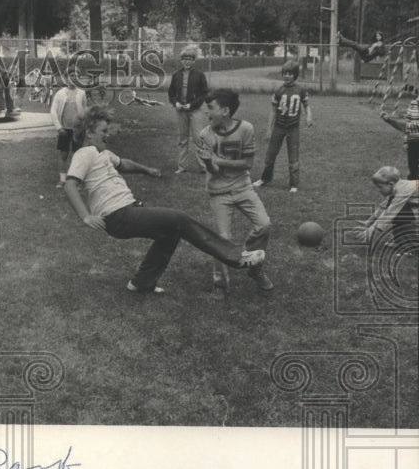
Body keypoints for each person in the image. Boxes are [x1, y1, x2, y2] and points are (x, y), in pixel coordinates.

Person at [63, 106, 266, 294]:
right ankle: (237, 257)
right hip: (118, 215)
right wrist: (86, 216)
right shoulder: (84, 153)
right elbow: (70, 184)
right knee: (178, 219)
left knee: (170, 233)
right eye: (103, 131)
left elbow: (123, 164)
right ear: (89, 133)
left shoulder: (103, 153)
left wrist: (146, 170)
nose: (107, 135)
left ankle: (142, 282)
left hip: (127, 211)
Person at [197, 90, 274, 297]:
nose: (206, 112)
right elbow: (212, 171)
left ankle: (253, 265)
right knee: (223, 238)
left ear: (225, 110)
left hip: (243, 187)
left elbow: (247, 164)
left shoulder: (246, 129)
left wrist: (217, 160)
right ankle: (220, 284)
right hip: (219, 193)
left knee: (264, 225)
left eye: (210, 108)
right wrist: (207, 162)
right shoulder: (205, 135)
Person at [253, 60, 314, 193]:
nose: (287, 76)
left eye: (290, 74)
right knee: (270, 155)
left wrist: (309, 116)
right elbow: (273, 110)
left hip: (293, 127)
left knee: (293, 157)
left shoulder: (301, 89)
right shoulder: (278, 89)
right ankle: (265, 178)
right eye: (285, 73)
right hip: (279, 126)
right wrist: (269, 129)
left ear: (295, 75)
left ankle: (294, 184)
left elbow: (307, 105)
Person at [167, 47, 210, 174]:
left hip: (195, 110)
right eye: (184, 59)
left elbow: (204, 94)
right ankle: (182, 167)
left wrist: (192, 105)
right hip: (180, 111)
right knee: (182, 139)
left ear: (194, 61)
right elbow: (171, 93)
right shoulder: (176, 75)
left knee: (198, 138)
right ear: (181, 61)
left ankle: (204, 167)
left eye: (190, 59)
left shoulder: (199, 75)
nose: (187, 62)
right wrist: (176, 103)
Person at [357, 166, 418, 252]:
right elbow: (384, 205)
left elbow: (390, 213)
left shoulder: (403, 191)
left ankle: (411, 244)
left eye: (380, 187)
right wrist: (369, 222)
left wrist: (371, 231)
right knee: (401, 213)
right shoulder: (396, 188)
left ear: (391, 184)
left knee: (399, 213)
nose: (378, 190)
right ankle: (400, 240)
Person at [49, 81, 87, 188]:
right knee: (63, 154)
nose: (73, 79)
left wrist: (83, 126)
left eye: (76, 76)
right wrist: (59, 127)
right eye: (71, 76)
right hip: (64, 129)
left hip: (77, 129)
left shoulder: (81, 93)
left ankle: (76, 180)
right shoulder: (60, 93)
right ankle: (62, 179)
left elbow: (84, 111)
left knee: (78, 155)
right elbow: (53, 111)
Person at [380, 84, 419, 180]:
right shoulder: (413, 104)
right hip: (413, 142)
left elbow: (409, 126)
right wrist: (406, 141)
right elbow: (408, 123)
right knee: (413, 171)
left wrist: (391, 121)